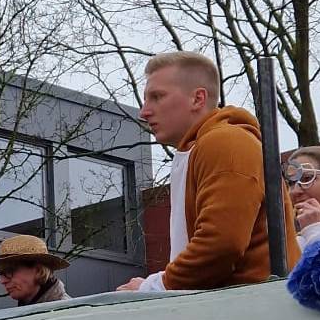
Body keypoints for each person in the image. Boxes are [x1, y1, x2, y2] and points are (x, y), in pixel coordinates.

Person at [118, 52, 299, 291]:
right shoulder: (202, 148)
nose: (144, 112)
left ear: (198, 98)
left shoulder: (226, 142)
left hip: (251, 306)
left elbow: (221, 244)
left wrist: (153, 287)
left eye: (157, 97)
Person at [0, 234, 71, 306]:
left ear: (39, 271)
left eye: (9, 272)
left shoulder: (68, 313)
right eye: (1, 274)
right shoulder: (28, 310)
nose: (3, 281)